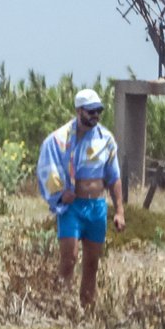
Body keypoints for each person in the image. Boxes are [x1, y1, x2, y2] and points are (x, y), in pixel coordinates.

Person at [36, 88, 126, 309]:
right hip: (72, 208)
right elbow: (46, 167)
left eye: (99, 111)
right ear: (79, 111)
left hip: (96, 207)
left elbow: (114, 177)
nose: (96, 115)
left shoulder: (106, 139)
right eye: (91, 111)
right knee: (69, 259)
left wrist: (119, 211)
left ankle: (87, 307)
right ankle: (61, 304)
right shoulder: (60, 139)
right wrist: (59, 193)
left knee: (92, 263)